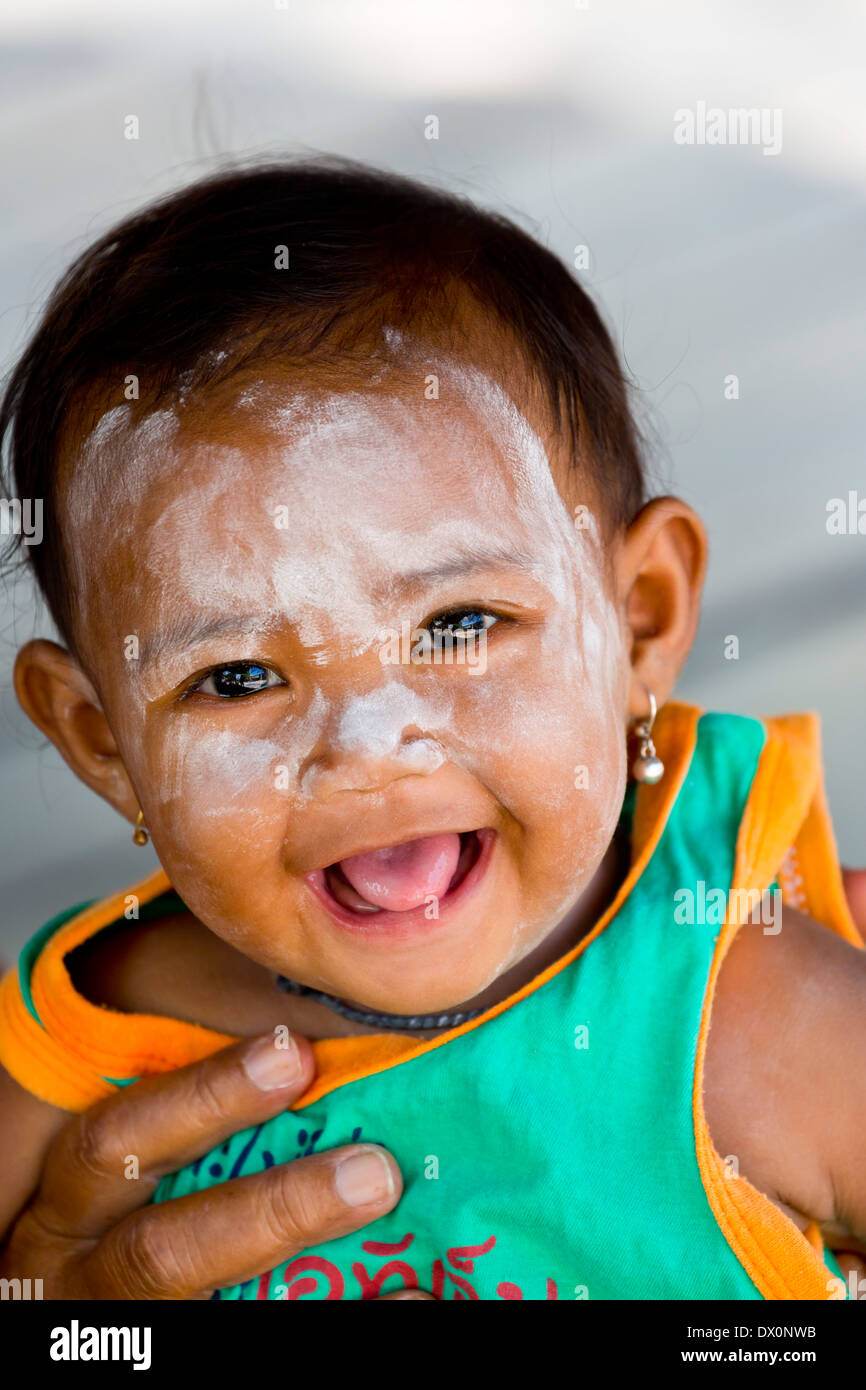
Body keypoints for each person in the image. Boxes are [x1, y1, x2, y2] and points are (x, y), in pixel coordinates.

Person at [1, 159, 864, 1300]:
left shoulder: (745, 1010)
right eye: (238, 676)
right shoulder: (103, 1017)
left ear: (637, 618)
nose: (368, 742)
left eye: (458, 623)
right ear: (101, 741)